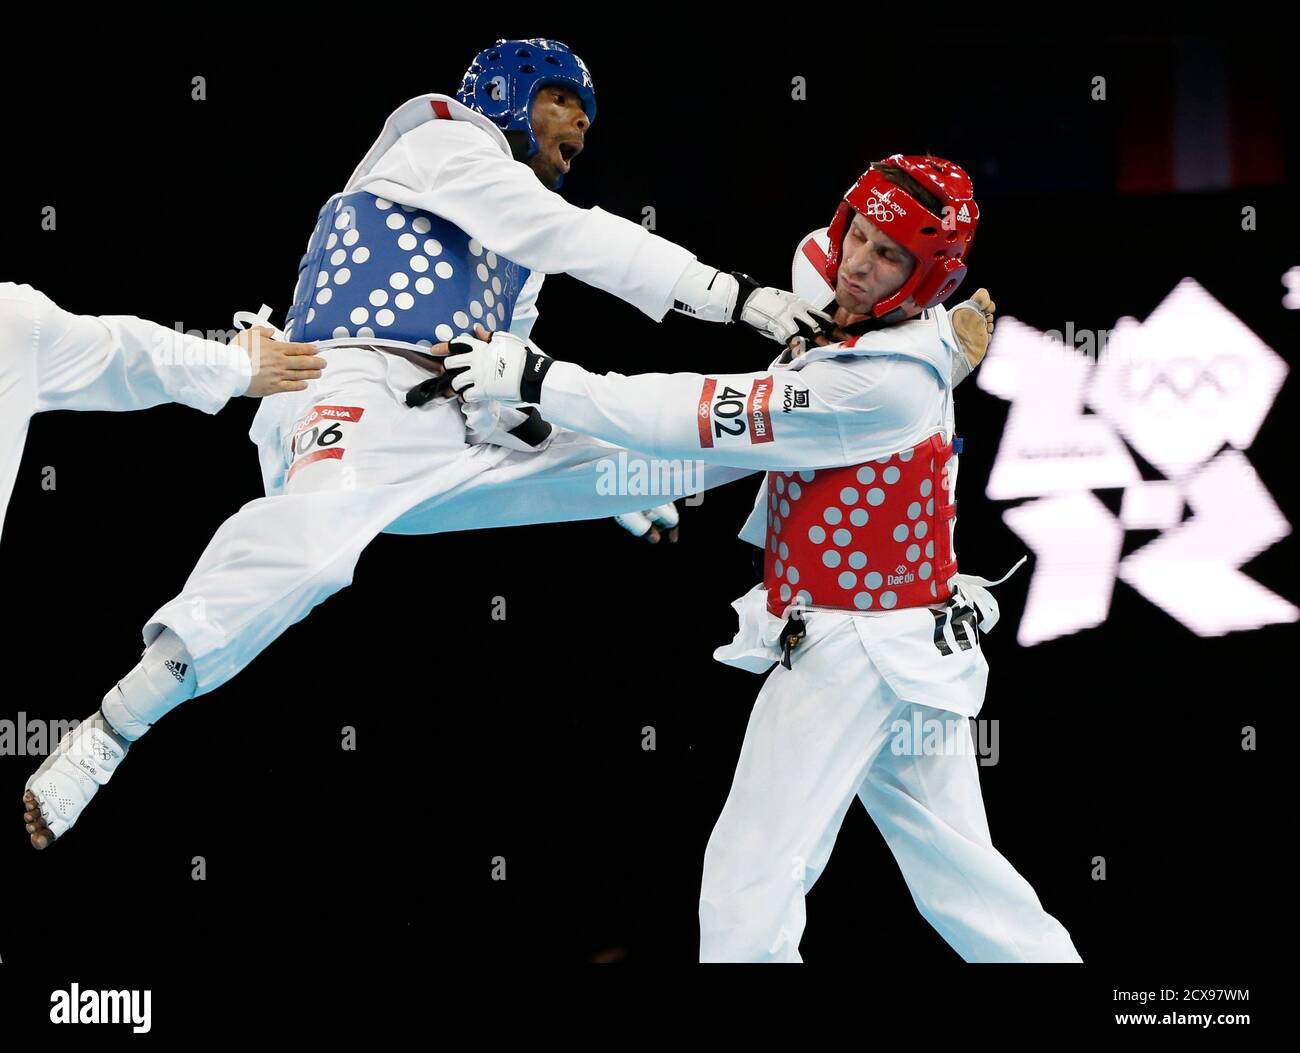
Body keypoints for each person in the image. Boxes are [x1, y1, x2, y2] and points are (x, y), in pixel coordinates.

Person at [21, 37, 828, 849]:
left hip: (455, 428)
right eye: (561, 98)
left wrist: (615, 478)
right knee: (309, 549)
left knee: (660, 445)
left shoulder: (516, 262)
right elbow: (573, 235)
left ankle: (814, 411)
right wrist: (737, 297)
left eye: (587, 112)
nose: (582, 120)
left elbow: (512, 391)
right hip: (351, 390)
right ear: (508, 95)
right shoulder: (438, 136)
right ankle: (110, 728)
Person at [438, 154, 1082, 962]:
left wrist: (542, 380)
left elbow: (688, 413)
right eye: (861, 234)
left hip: (855, 645)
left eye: (888, 256)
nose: (857, 262)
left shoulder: (881, 382)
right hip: (917, 639)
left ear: (929, 282)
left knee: (750, 877)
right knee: (966, 884)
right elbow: (817, 258)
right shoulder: (880, 312)